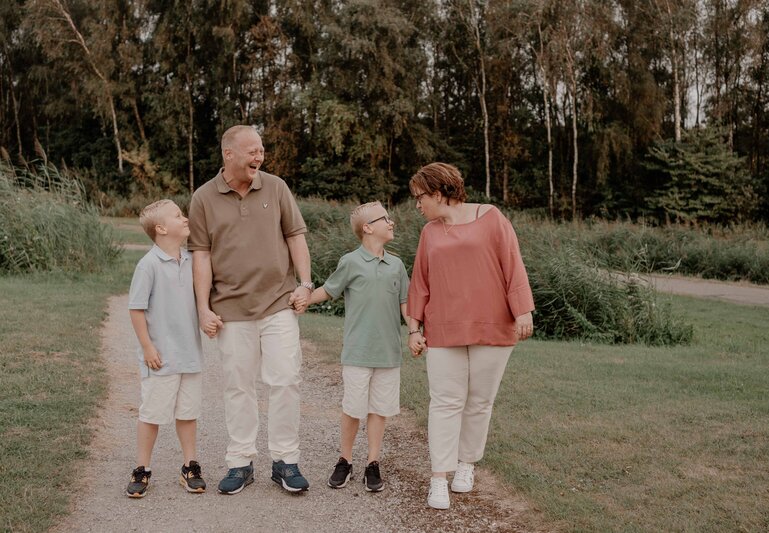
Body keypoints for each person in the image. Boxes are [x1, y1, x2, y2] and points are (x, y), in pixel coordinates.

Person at [187, 125, 313, 494]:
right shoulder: (203, 198)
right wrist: (202, 308)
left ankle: (285, 461)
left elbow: (295, 236)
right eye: (252, 151)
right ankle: (240, 462)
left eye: (261, 150)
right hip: (230, 310)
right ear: (229, 154)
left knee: (285, 380)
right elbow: (201, 256)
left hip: (278, 303)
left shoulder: (276, 187)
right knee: (238, 387)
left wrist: (305, 284)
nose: (259, 157)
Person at [405, 162, 535, 510]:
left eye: (419, 198)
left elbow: (512, 263)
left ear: (438, 192)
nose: (417, 205)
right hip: (443, 328)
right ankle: (438, 478)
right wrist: (414, 328)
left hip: (493, 324)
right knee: (445, 401)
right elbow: (420, 280)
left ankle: (466, 464)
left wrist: (523, 309)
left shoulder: (492, 217)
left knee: (479, 400)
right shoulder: (429, 232)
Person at [306, 202, 410, 492]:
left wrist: (415, 330)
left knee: (380, 409)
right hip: (357, 351)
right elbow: (328, 290)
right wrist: (303, 299)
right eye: (385, 218)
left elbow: (406, 304)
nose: (392, 222)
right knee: (353, 408)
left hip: (388, 353)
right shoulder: (350, 261)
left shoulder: (397, 265)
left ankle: (373, 463)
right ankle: (345, 459)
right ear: (367, 228)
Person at [126, 199, 206, 498]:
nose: (185, 218)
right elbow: (136, 309)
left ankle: (190, 465)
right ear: (161, 229)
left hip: (189, 354)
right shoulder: (148, 265)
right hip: (160, 357)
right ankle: (142, 468)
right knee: (153, 414)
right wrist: (147, 347)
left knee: (188, 413)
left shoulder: (191, 260)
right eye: (178, 216)